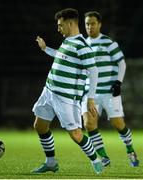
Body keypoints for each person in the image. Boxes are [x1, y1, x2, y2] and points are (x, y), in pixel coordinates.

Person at [32, 8, 103, 174]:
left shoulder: (82, 46)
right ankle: (51, 163)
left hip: (66, 98)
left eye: (60, 25)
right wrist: (45, 49)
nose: (58, 29)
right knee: (40, 125)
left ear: (70, 23)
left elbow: (94, 71)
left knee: (76, 135)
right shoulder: (67, 42)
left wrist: (91, 98)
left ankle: (96, 159)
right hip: (49, 91)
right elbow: (61, 56)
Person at [82, 11, 139, 167]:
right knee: (89, 124)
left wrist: (118, 83)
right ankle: (104, 157)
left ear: (99, 24)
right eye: (87, 24)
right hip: (90, 94)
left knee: (118, 124)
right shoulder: (83, 45)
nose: (90, 26)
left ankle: (130, 150)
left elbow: (121, 63)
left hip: (109, 92)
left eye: (93, 23)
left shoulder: (108, 42)